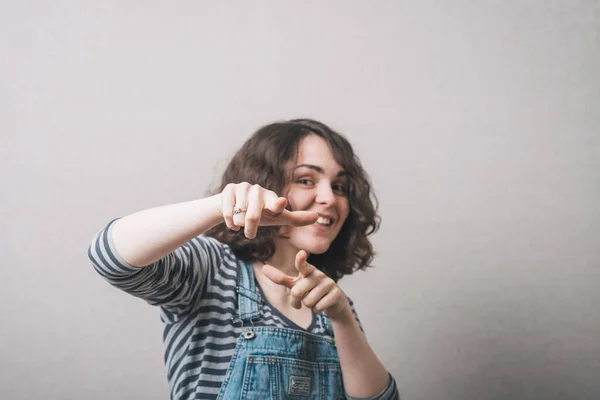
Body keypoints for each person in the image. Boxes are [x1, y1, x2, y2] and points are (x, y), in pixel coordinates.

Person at [88, 119, 400, 399]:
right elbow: (110, 257)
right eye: (306, 180)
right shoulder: (213, 269)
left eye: (340, 186)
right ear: (266, 184)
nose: (330, 198)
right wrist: (221, 206)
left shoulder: (332, 305)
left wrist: (342, 316)